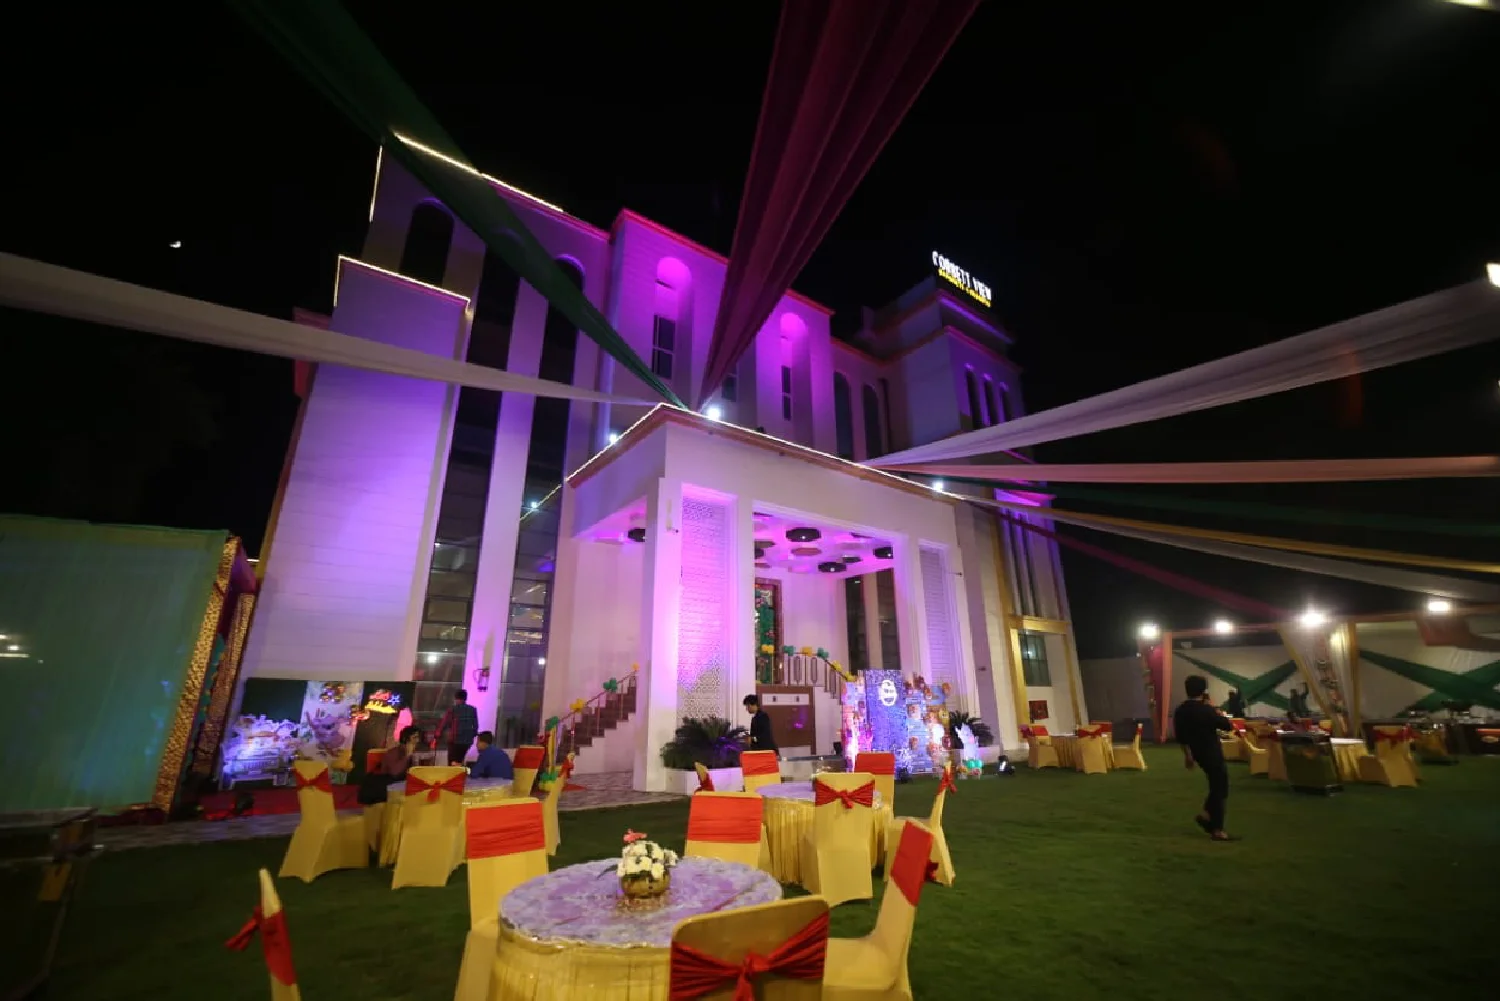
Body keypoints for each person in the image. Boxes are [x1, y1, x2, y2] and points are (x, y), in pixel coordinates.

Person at [1174, 675, 1235, 841]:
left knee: (1217, 787)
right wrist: (1214, 709)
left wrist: (1188, 756)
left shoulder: (1181, 710)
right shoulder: (1206, 710)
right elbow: (1227, 725)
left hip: (1197, 753)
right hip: (1212, 752)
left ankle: (1208, 817)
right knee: (1220, 789)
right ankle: (1217, 829)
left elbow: (1181, 737)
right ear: (1203, 690)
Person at [356, 726, 422, 805]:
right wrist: (406, 756)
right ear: (405, 739)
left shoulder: (416, 753)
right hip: (388, 783)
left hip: (405, 782)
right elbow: (394, 773)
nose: (417, 740)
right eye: (414, 737)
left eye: (418, 737)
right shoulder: (393, 753)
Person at [435, 688, 480, 765]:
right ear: (465, 698)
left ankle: (453, 772)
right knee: (459, 761)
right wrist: (471, 736)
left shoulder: (453, 709)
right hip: (467, 742)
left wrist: (437, 735)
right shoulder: (472, 709)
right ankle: (459, 771)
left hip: (455, 740)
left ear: (456, 698)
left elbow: (444, 723)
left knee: (452, 762)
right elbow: (475, 726)